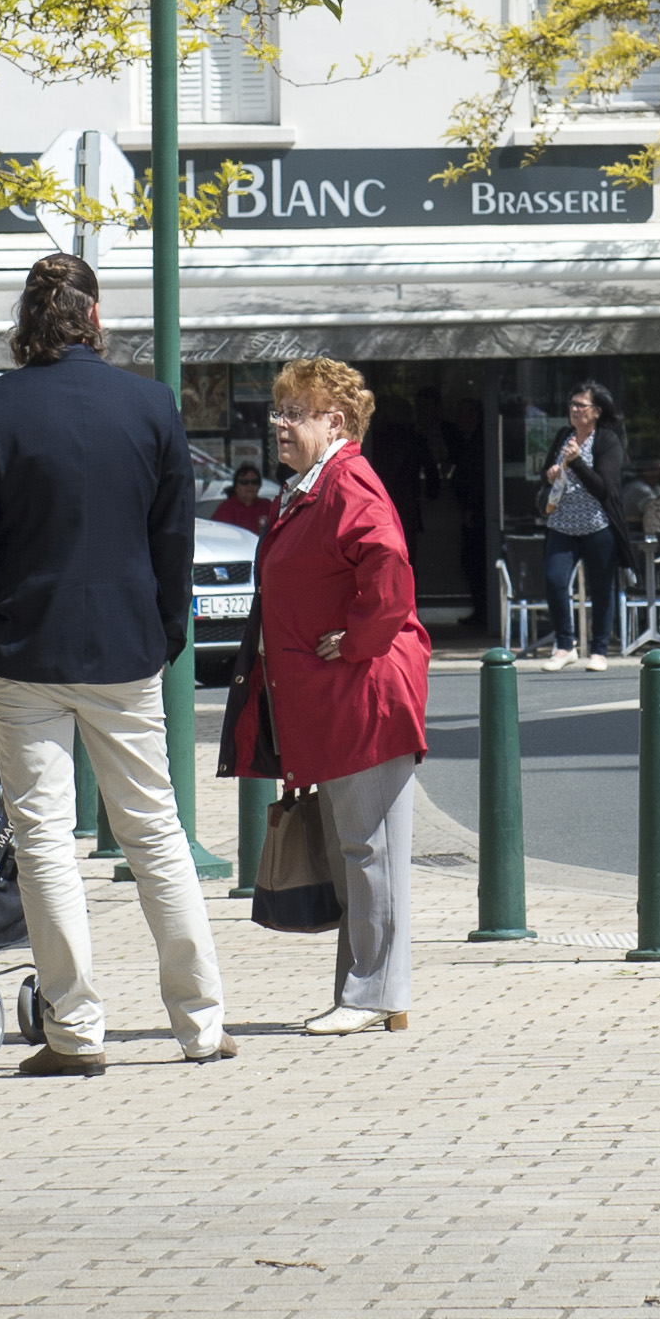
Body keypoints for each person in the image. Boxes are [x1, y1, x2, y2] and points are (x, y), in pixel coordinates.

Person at [0, 251, 228, 1073]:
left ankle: (75, 1031)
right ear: (95, 318)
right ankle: (201, 1024)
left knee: (44, 842)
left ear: (26, 322)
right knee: (157, 835)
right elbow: (173, 539)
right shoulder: (150, 406)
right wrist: (167, 633)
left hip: (21, 649)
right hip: (125, 648)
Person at [223, 357, 431, 1035]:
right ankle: (367, 992)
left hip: (363, 694)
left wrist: (361, 640)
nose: (279, 424)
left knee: (370, 852)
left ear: (333, 420)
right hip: (339, 697)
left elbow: (390, 571)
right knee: (358, 854)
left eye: (294, 413)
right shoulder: (317, 483)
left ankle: (375, 995)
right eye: (278, 411)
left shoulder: (348, 483)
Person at [529, 384, 629, 669]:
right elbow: (547, 474)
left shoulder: (607, 440)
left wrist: (576, 463)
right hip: (561, 523)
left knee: (601, 588)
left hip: (598, 526)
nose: (574, 409)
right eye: (572, 404)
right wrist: (550, 474)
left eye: (580, 405)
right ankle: (564, 645)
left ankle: (599, 650)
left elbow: (603, 489)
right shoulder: (564, 435)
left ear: (596, 412)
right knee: (554, 580)